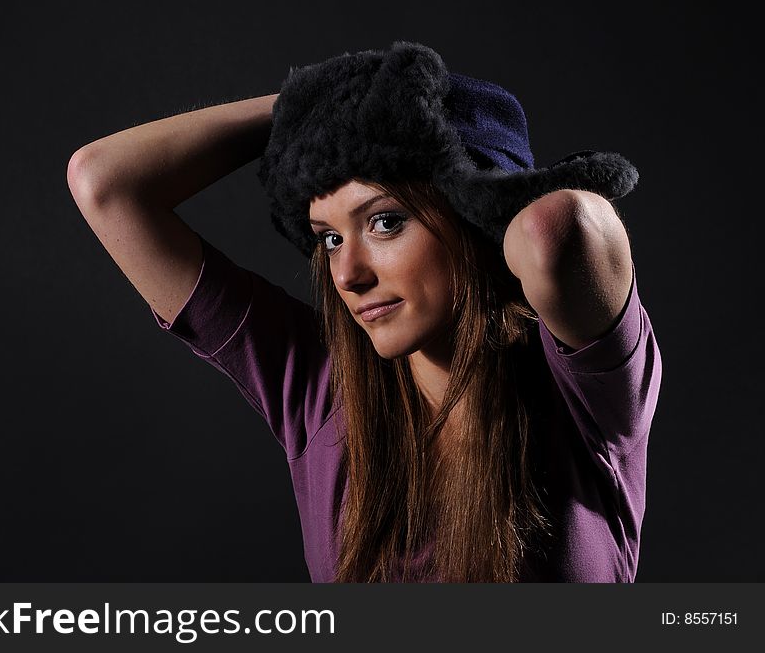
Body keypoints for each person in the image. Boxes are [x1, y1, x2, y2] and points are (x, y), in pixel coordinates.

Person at [67, 41, 662, 583]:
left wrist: (490, 201)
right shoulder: (317, 395)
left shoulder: (589, 395)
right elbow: (105, 184)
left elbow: (559, 227)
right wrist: (312, 108)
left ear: (477, 219)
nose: (347, 275)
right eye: (328, 238)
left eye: (385, 222)